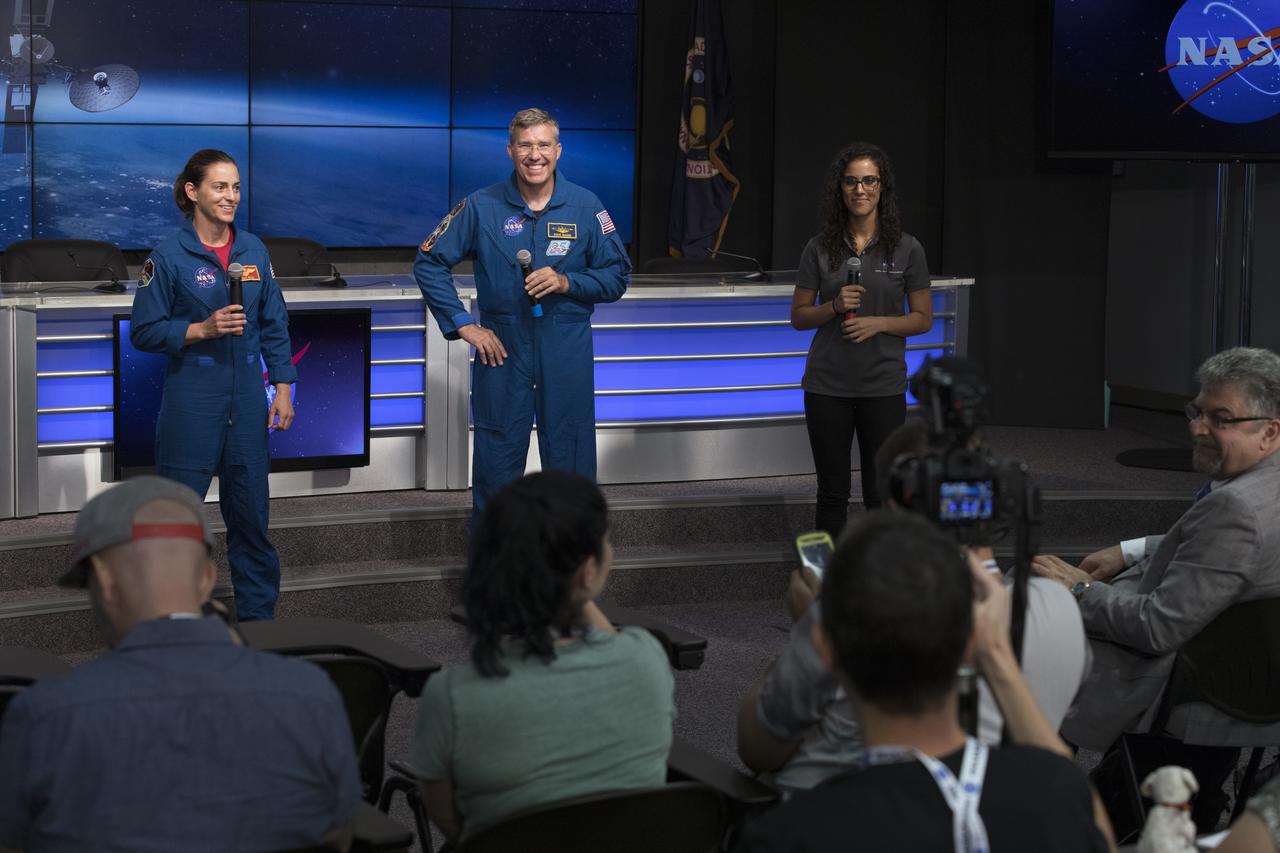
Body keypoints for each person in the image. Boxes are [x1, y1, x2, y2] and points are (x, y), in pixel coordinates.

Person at [0, 476, 361, 852]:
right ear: (207, 580)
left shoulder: (44, 716)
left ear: (104, 580)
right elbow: (338, 834)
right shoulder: (312, 694)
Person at [737, 420, 1090, 791]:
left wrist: (811, 628)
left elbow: (758, 751)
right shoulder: (1063, 607)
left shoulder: (854, 615)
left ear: (892, 507)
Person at [735, 513, 1113, 852]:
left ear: (825, 647)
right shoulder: (1053, 794)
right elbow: (1095, 828)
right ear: (971, 645)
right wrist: (998, 658)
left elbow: (759, 746)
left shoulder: (791, 833)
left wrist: (813, 627)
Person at [1032, 347, 1280, 753]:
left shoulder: (1236, 509)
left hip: (1189, 681)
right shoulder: (1262, 488)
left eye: (1221, 419)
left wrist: (1078, 589)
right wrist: (1130, 550)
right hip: (1247, 662)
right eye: (1198, 412)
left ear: (1269, 431)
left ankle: (1044, 794)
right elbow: (1226, 550)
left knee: (1021, 624)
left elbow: (1156, 629)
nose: (1198, 429)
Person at [410, 471, 674, 843]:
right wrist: (578, 593)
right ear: (587, 570)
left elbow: (451, 822)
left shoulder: (450, 696)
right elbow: (606, 638)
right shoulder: (646, 658)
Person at [413, 108, 630, 520]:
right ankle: (495, 580)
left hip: (565, 349)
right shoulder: (481, 206)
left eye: (544, 144)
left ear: (559, 150)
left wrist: (568, 283)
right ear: (510, 150)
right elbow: (428, 262)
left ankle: (571, 578)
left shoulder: (586, 207)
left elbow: (617, 276)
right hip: (502, 350)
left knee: (572, 470)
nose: (535, 154)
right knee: (496, 471)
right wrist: (464, 324)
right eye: (526, 145)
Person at [129, 149, 296, 622]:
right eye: (220, 187)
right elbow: (144, 329)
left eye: (236, 187)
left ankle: (259, 627)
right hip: (191, 405)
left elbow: (274, 323)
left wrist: (282, 384)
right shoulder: (167, 257)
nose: (231, 197)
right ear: (192, 192)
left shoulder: (254, 251)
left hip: (246, 403)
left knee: (251, 524)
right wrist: (199, 330)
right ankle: (168, 625)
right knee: (176, 525)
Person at [790, 142, 933, 536]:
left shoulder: (907, 248)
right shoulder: (819, 248)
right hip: (827, 386)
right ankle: (826, 586)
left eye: (869, 180)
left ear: (882, 187)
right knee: (832, 493)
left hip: (883, 387)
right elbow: (799, 317)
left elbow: (923, 320)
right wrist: (835, 306)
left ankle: (878, 584)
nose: (860, 189)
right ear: (840, 189)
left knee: (880, 494)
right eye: (851, 181)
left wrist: (878, 323)